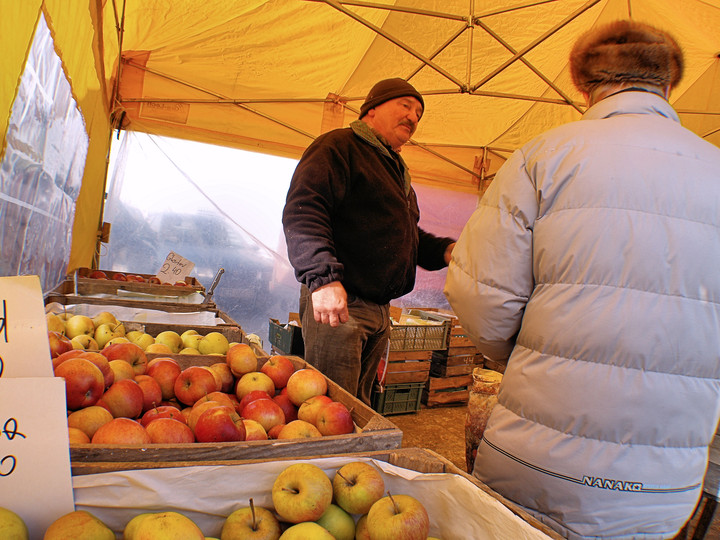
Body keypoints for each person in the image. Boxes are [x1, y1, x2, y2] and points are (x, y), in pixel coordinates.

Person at [444, 20, 720, 540]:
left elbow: (480, 297)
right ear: (668, 83)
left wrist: (532, 353)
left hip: (538, 454)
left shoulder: (543, 156)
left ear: (584, 84)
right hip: (662, 481)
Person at [282, 78, 455, 405]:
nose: (413, 118)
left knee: (357, 410)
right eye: (405, 106)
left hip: (378, 311)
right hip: (341, 305)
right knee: (330, 410)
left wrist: (444, 251)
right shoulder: (339, 147)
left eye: (419, 113)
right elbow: (305, 210)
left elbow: (403, 235)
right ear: (372, 109)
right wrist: (323, 280)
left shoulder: (393, 169)